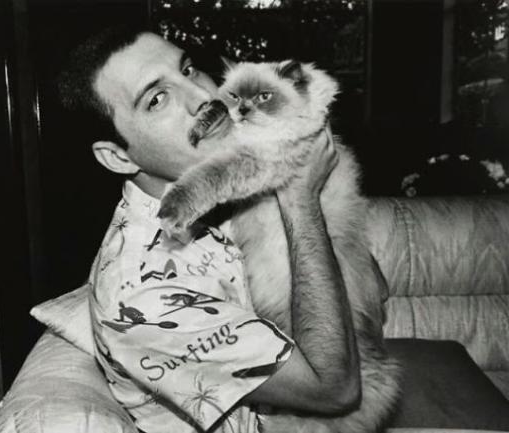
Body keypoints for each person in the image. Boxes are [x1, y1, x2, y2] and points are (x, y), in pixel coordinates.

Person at [59, 27, 361, 433]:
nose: (204, 96)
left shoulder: (215, 193)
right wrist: (300, 197)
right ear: (117, 157)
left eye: (188, 69)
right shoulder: (147, 299)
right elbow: (336, 390)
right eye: (157, 99)